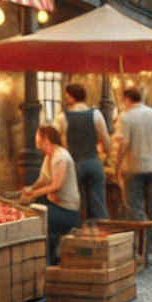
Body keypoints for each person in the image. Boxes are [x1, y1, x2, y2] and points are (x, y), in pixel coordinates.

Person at [114, 86, 152, 270]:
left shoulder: (125, 117)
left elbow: (123, 146)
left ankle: (141, 255)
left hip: (134, 169)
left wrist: (117, 168)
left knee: (136, 212)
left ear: (126, 99)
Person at [20, 125, 80, 265]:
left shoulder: (61, 156)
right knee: (34, 216)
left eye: (38, 139)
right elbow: (43, 180)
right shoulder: (48, 157)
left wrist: (33, 194)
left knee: (36, 222)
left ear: (46, 139)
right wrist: (29, 188)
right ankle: (47, 261)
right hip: (55, 205)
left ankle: (45, 264)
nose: (37, 143)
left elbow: (56, 185)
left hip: (66, 210)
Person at [53, 83, 111, 222]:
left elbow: (54, 140)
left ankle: (75, 236)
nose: (66, 99)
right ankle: (101, 235)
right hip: (93, 162)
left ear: (72, 97)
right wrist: (105, 154)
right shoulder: (96, 114)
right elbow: (106, 140)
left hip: (74, 164)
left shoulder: (62, 118)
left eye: (67, 96)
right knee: (98, 204)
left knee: (73, 204)